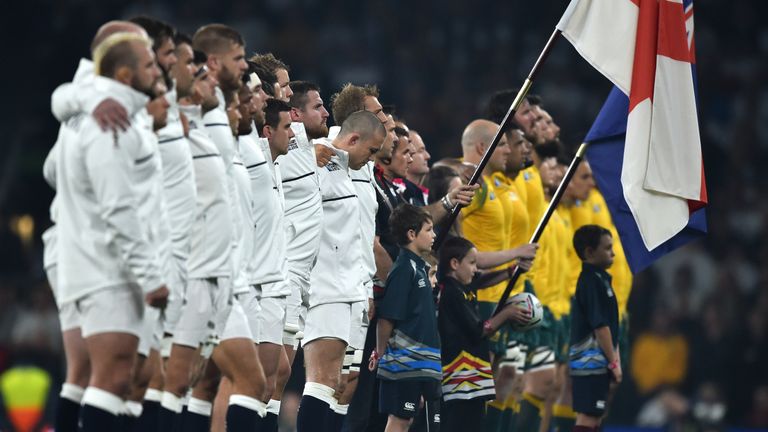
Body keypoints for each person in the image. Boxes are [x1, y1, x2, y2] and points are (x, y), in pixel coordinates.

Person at [55, 32, 167, 431]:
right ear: (124, 72)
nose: (159, 71)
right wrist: (151, 276)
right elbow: (119, 205)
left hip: (104, 264)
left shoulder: (109, 111)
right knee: (110, 378)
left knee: (121, 381)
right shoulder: (111, 120)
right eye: (150, 64)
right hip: (110, 269)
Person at [297, 110, 386, 431]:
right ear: (352, 139)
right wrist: (308, 155)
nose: (373, 158)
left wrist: (363, 287)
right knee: (321, 381)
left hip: (349, 290)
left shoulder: (346, 168)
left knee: (339, 383)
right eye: (372, 151)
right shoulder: (315, 158)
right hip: (325, 287)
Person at [437, 236, 531, 432]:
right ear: (454, 264)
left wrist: (509, 272)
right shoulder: (450, 293)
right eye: (472, 263)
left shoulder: (463, 284)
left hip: (473, 380)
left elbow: (482, 280)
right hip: (460, 381)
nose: (475, 269)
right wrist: (507, 313)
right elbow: (480, 330)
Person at [370, 204, 439, 432]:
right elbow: (386, 318)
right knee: (398, 421)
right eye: (428, 230)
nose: (434, 235)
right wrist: (380, 353)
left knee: (412, 422)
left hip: (423, 363)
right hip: (404, 362)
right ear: (412, 234)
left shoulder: (420, 268)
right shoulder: (403, 269)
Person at [569, 225, 622, 432]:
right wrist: (614, 363)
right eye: (607, 248)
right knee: (587, 418)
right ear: (589, 252)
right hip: (589, 363)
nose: (613, 253)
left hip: (598, 363)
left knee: (596, 419)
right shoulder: (590, 281)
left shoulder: (601, 279)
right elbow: (600, 327)